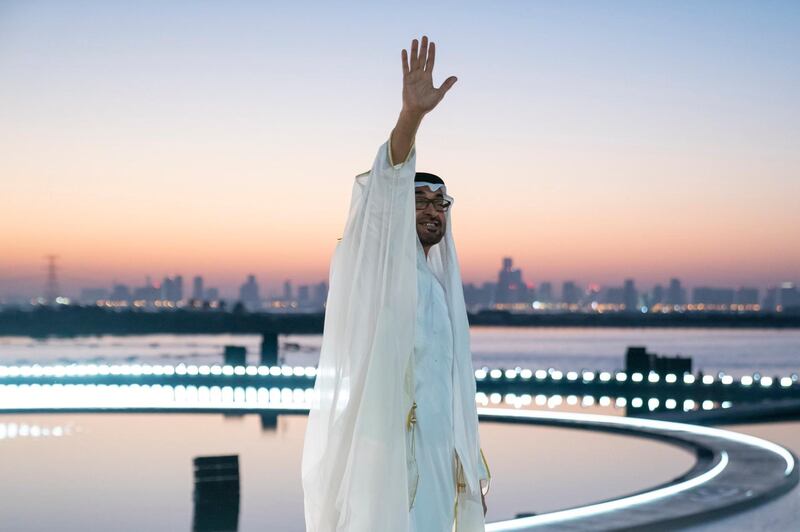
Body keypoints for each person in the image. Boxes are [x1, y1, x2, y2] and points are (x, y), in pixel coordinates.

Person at [302, 35, 490, 532]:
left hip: (433, 456)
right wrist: (411, 117)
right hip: (384, 456)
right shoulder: (378, 265)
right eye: (420, 199)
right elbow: (385, 183)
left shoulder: (437, 287)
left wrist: (462, 458)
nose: (432, 210)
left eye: (440, 203)